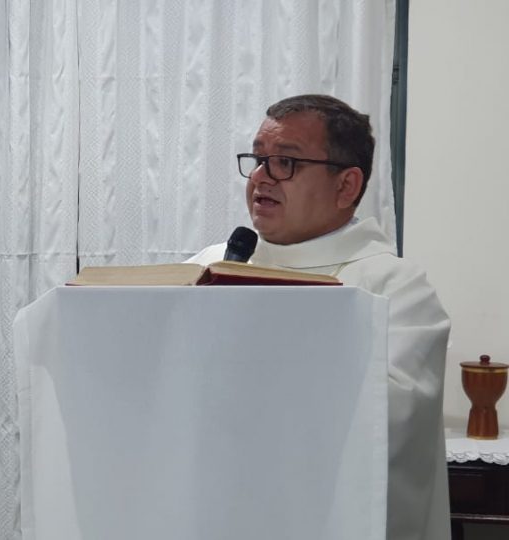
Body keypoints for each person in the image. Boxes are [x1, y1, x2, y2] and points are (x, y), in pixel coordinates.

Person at [186, 94, 450, 540]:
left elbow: (390, 418)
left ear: (346, 186)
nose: (260, 178)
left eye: (285, 162)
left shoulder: (395, 288)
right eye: (258, 159)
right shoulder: (212, 267)